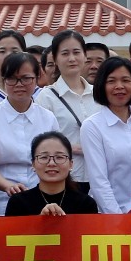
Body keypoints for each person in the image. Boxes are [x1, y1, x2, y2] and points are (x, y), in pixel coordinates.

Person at [0, 51, 59, 213]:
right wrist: (8, 186)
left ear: (37, 78)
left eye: (26, 78)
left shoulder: (48, 117)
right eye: (12, 78)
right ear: (3, 79)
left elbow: (55, 159)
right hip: (2, 199)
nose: (19, 84)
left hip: (43, 199)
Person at [83, 56, 131, 214]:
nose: (119, 86)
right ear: (102, 85)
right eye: (111, 81)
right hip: (106, 215)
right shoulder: (92, 126)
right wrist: (119, 218)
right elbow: (99, 181)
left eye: (125, 80)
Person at [34, 31, 99, 185]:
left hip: (99, 176)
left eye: (76, 52)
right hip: (65, 178)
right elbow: (40, 141)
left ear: (84, 56)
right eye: (65, 53)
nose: (72, 58)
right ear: (55, 59)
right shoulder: (46, 97)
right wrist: (74, 148)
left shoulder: (99, 94)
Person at [6, 132, 100, 216]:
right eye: (44, 157)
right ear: (33, 164)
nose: (51, 163)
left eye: (59, 157)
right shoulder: (18, 203)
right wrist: (40, 221)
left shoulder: (86, 203)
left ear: (71, 164)